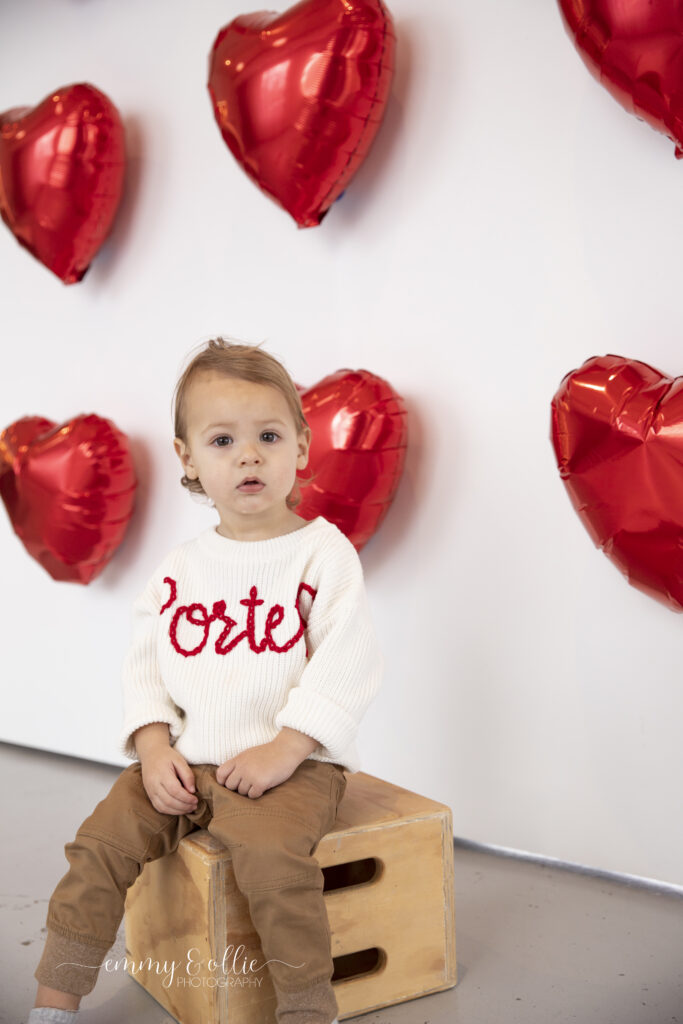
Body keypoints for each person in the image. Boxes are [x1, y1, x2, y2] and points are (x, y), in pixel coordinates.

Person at [28, 337, 384, 1024]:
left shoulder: (321, 554)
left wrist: (285, 749)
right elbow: (146, 666)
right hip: (184, 763)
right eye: (222, 440)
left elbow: (349, 661)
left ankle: (308, 1009)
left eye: (269, 436)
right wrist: (154, 746)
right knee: (98, 847)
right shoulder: (180, 568)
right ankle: (57, 998)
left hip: (291, 765)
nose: (248, 455)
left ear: (302, 448)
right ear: (188, 458)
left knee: (273, 866)